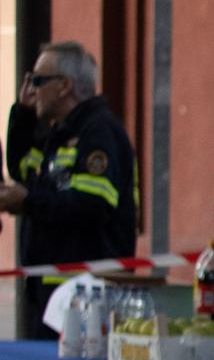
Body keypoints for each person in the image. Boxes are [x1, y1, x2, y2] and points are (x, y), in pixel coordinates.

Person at [0, 41, 138, 340]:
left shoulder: (98, 133)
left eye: (37, 81)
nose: (31, 89)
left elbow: (93, 204)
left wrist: (27, 201)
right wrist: (23, 115)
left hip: (86, 295)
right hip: (56, 291)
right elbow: (24, 170)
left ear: (65, 86)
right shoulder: (60, 133)